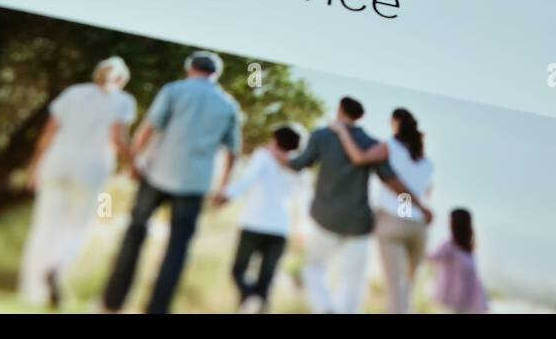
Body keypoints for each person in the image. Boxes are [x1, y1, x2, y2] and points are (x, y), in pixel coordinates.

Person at [101, 50, 241, 314]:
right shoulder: (227, 105)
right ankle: (157, 309)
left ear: (190, 68)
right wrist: (223, 187)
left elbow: (148, 128)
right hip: (194, 183)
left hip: (157, 174)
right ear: (216, 75)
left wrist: (133, 163)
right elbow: (232, 152)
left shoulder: (174, 90)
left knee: (134, 235)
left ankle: (112, 303)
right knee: (177, 249)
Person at [284, 96, 432, 314]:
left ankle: (325, 307)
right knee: (354, 280)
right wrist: (416, 207)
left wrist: (277, 155)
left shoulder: (322, 136)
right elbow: (392, 182)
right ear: (361, 117)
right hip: (360, 223)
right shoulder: (373, 143)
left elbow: (299, 164)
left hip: (326, 218)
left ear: (340, 110)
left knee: (314, 267)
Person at [20, 56, 136, 308]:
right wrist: (133, 166)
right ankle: (57, 269)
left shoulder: (73, 94)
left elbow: (49, 131)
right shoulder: (123, 102)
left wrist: (34, 166)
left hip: (57, 163)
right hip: (92, 171)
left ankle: (32, 291)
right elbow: (119, 139)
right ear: (122, 80)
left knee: (45, 226)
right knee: (78, 228)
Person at [329, 108, 434, 314]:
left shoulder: (389, 147)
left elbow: (359, 158)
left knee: (396, 287)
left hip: (393, 220)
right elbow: (426, 190)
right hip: (418, 226)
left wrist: (342, 131)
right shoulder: (426, 161)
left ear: (395, 124)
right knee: (408, 287)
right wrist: (418, 207)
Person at [212, 124, 307, 313]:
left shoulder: (263, 156)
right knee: (266, 281)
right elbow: (304, 198)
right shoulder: (299, 165)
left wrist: (226, 195)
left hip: (254, 223)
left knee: (238, 271)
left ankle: (249, 299)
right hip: (281, 229)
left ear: (275, 140)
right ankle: (254, 303)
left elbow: (247, 180)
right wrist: (302, 227)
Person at [427, 208, 488, 314]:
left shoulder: (451, 246)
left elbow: (432, 258)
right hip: (464, 300)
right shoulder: (468, 250)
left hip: (453, 299)